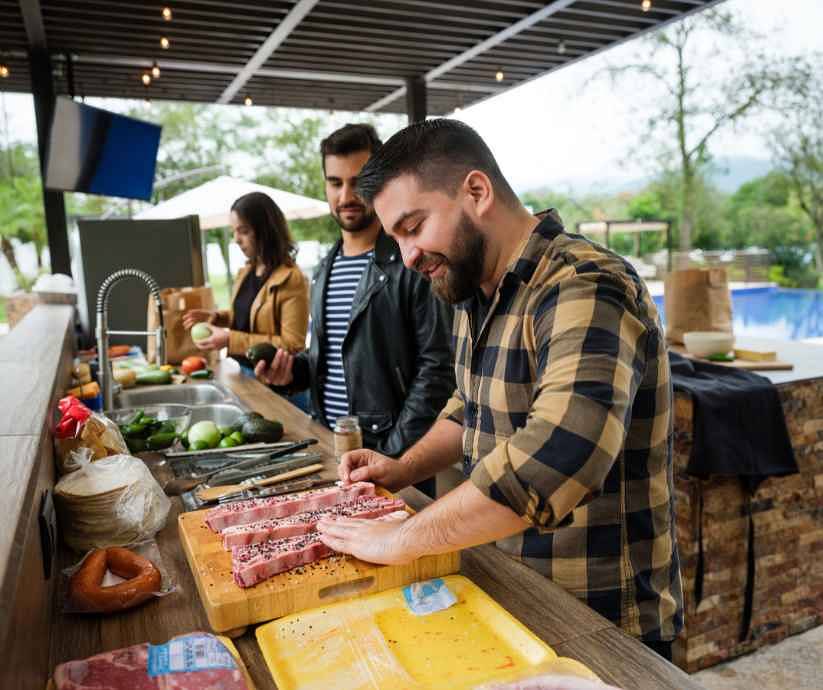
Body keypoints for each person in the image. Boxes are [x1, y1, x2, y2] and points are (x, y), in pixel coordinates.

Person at [314, 119, 684, 660]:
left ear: (477, 191)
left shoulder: (584, 283)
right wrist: (402, 468)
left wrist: (401, 539)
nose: (410, 256)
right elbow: (470, 408)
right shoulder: (473, 289)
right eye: (397, 238)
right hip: (512, 598)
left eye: (414, 226)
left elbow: (558, 455)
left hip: (602, 623)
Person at [255, 123, 454, 497]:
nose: (346, 195)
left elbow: (438, 370)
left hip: (394, 457)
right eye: (335, 182)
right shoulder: (324, 267)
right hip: (331, 449)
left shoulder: (411, 262)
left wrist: (393, 455)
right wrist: (293, 374)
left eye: (358, 180)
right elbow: (334, 359)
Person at [182, 192, 309, 373]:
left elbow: (293, 344)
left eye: (244, 231)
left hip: (274, 383)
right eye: (234, 231)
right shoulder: (247, 271)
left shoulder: (292, 279)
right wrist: (217, 317)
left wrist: (229, 340)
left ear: (266, 231)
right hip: (241, 371)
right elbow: (250, 317)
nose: (236, 239)